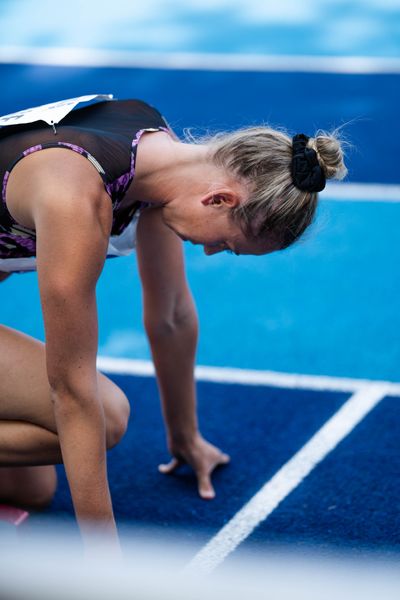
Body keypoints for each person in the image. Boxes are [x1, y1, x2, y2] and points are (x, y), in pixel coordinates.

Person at [0, 96, 347, 551]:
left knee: (33, 489)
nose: (209, 252)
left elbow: (172, 315)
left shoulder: (154, 152)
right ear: (219, 198)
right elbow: (69, 389)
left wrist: (185, 436)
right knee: (104, 419)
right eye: (225, 243)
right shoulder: (74, 198)